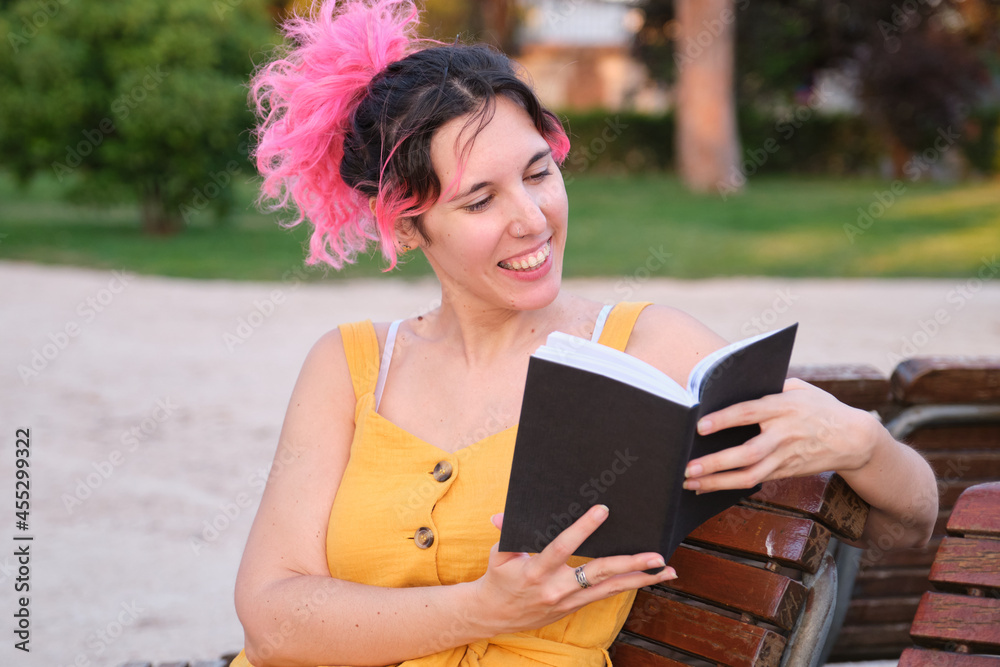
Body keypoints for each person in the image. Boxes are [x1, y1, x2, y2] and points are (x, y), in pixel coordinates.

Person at [230, 2, 938, 666]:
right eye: (480, 199)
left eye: (540, 174)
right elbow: (269, 612)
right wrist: (477, 609)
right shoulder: (351, 364)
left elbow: (908, 521)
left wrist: (864, 440)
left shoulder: (644, 348)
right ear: (408, 225)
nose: (531, 219)